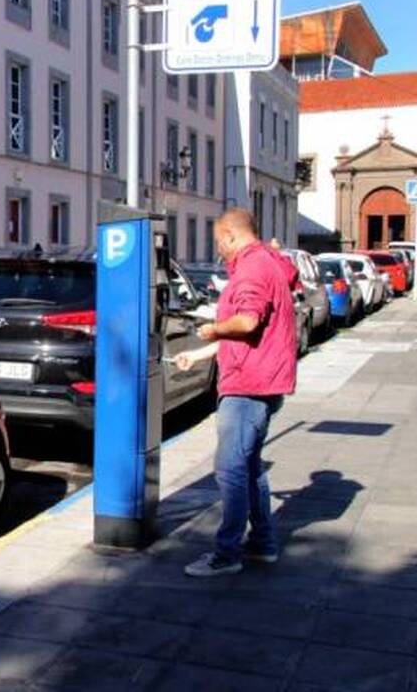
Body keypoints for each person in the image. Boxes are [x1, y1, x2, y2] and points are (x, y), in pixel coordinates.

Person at [173, 209, 299, 577]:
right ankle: (263, 543)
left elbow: (247, 322)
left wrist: (212, 329)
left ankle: (226, 554)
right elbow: (250, 332)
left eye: (218, 242)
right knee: (250, 467)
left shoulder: (251, 269)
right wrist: (198, 354)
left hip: (248, 385)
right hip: (264, 379)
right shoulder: (269, 262)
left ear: (230, 235)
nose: (219, 250)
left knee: (229, 470)